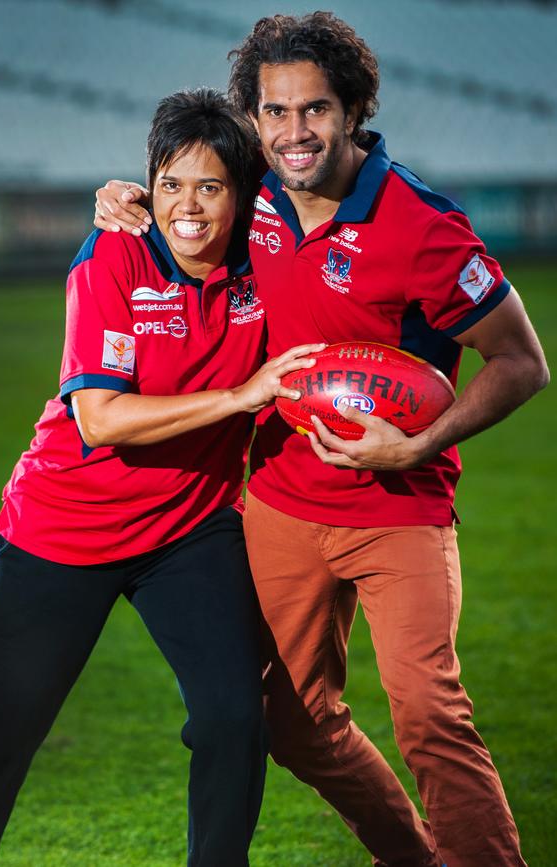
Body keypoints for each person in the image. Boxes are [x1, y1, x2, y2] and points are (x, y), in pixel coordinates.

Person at [94, 13, 550, 867]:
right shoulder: (250, 188)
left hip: (400, 505)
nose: (292, 131)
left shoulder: (423, 225)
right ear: (254, 117)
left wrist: (419, 445)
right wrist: (123, 198)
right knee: (290, 723)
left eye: (314, 109)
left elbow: (524, 363)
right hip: (277, 499)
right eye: (274, 112)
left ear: (352, 110)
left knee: (429, 712)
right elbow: (182, 215)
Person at [0, 88, 326, 867]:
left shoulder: (264, 252)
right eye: (169, 184)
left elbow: (317, 163)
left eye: (210, 186)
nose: (188, 207)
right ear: (145, 185)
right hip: (61, 529)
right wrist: (243, 395)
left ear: (244, 192)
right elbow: (100, 418)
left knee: (236, 719)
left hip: (188, 531)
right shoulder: (114, 255)